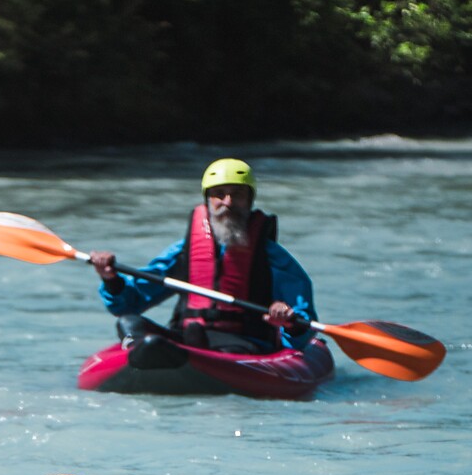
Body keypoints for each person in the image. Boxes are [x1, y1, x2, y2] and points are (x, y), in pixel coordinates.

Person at [87, 157, 317, 368]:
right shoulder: (183, 252)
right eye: (219, 194)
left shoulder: (273, 257)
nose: (227, 202)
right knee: (129, 323)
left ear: (249, 200)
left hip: (243, 346)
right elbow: (128, 304)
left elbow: (302, 322)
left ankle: (191, 360)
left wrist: (287, 318)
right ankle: (140, 357)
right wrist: (111, 280)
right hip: (187, 335)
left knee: (224, 347)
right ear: (207, 200)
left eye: (236, 194)